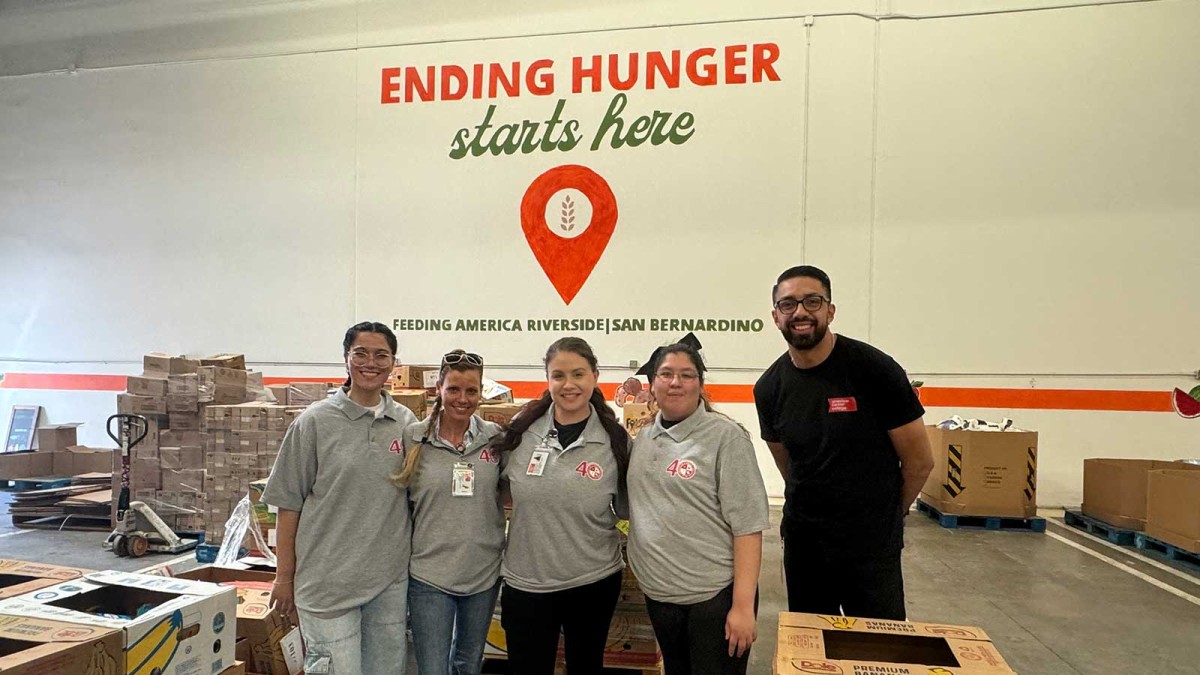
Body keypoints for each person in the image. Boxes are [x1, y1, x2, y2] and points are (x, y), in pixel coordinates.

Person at [754, 265, 933, 620]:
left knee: (878, 651)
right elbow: (789, 465)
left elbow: (919, 461)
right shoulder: (769, 388)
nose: (800, 312)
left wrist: (886, 513)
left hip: (870, 548)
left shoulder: (874, 370)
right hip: (806, 546)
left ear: (830, 310)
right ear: (775, 317)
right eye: (788, 304)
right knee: (811, 646)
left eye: (812, 301)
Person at [263, 321, 418, 675]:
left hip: (388, 583)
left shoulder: (406, 423)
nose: (371, 363)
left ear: (393, 363)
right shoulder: (314, 423)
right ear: (345, 359)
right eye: (360, 353)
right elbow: (288, 505)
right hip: (327, 584)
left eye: (382, 355)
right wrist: (283, 576)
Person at [627, 342, 769, 675]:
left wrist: (743, 607)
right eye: (666, 374)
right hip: (661, 596)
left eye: (686, 375)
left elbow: (748, 527)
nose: (675, 382)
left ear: (700, 385)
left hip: (713, 599)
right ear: (652, 384)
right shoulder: (644, 438)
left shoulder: (726, 438)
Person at [491, 336, 630, 675]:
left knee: (586, 667)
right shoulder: (520, 434)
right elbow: (495, 491)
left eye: (579, 374)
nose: (569, 385)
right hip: (527, 583)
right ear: (547, 379)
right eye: (558, 375)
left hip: (593, 582)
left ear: (595, 376)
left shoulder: (616, 441)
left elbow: (628, 511)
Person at [392, 350, 504, 675]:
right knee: (433, 668)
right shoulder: (413, 437)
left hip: (482, 574)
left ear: (481, 392)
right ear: (438, 388)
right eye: (453, 389)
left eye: (471, 390)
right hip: (430, 576)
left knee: (468, 665)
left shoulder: (494, 440)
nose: (462, 398)